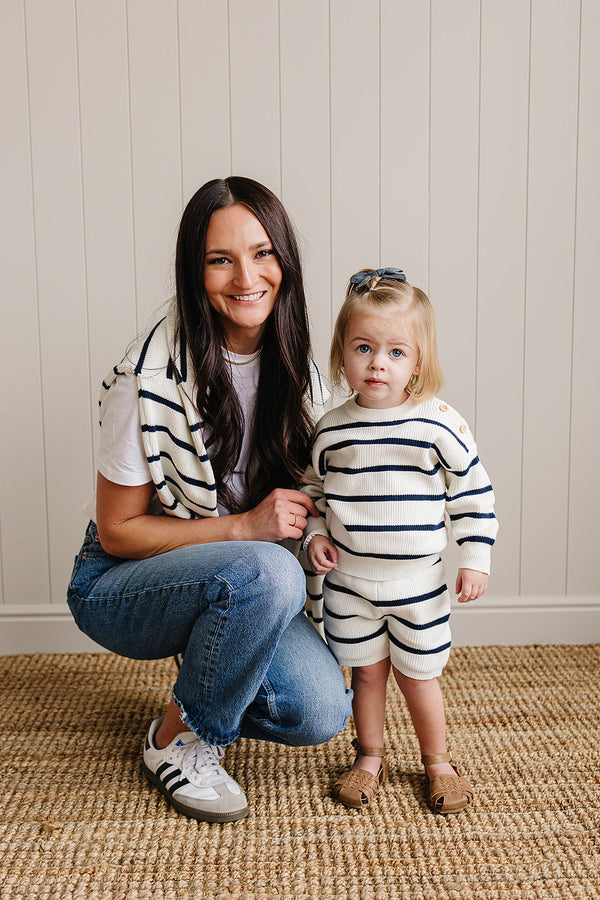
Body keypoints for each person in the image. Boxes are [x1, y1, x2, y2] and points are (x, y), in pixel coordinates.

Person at [67, 176, 352, 824]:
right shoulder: (148, 378)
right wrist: (245, 527)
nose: (246, 277)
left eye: (262, 253)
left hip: (240, 577)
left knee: (318, 712)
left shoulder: (297, 368)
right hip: (119, 581)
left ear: (284, 259)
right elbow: (118, 532)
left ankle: (205, 670)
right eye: (220, 259)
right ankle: (176, 740)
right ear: (195, 272)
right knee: (268, 568)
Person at [301, 267, 498, 814]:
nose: (377, 364)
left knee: (418, 676)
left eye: (395, 352)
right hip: (350, 583)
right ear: (342, 352)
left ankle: (437, 761)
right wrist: (315, 534)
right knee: (367, 674)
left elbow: (472, 494)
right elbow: (315, 494)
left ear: (418, 360)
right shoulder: (331, 429)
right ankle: (369, 755)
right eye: (363, 348)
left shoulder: (437, 424)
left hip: (416, 584)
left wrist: (475, 555)